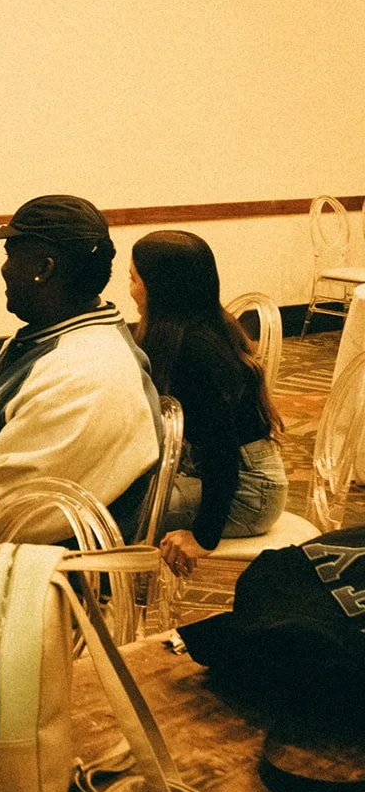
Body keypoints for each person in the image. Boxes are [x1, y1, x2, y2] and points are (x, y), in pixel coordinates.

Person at [0, 195, 162, 539]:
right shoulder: (45, 339)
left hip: (34, 563)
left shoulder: (87, 377)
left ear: (44, 269)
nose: (4, 269)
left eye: (10, 255)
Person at [129, 231, 287, 574]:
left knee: (122, 509)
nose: (130, 290)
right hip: (235, 480)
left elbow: (221, 451)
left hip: (249, 494)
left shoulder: (194, 351)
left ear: (161, 288)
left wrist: (203, 536)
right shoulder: (201, 327)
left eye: (134, 279)